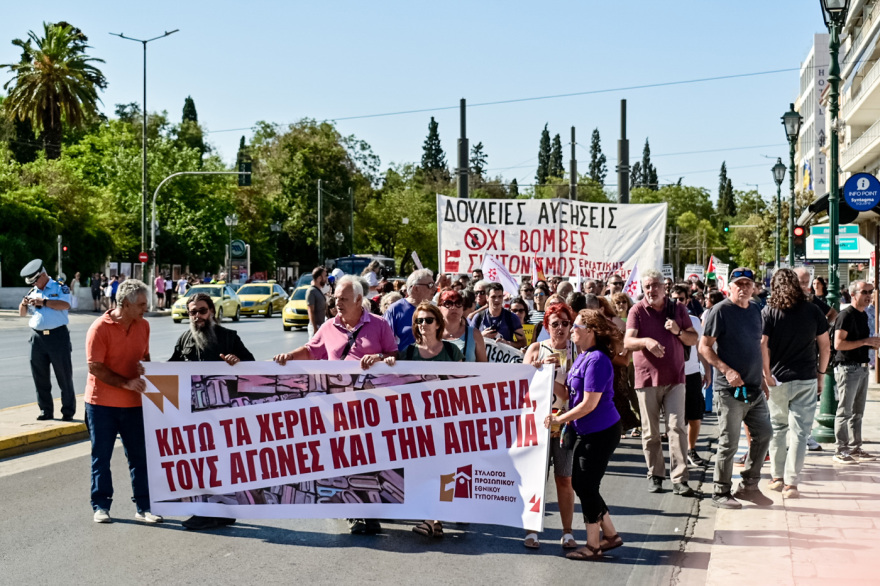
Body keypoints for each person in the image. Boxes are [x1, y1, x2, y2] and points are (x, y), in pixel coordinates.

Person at [274, 276, 397, 534]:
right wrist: (289, 356)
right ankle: (354, 512)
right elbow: (311, 350)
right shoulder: (329, 326)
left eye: (343, 299)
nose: (337, 303)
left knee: (370, 460)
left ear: (359, 300)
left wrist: (379, 357)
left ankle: (370, 512)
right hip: (337, 408)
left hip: (371, 408)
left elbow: (394, 356)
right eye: (336, 298)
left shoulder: (380, 324)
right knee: (345, 459)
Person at [170, 293, 254, 529]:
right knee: (200, 464)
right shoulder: (184, 339)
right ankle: (211, 511)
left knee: (222, 464)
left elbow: (253, 368)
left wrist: (238, 363)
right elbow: (170, 369)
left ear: (212, 312)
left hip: (224, 415)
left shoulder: (229, 337)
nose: (197, 316)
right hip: (194, 416)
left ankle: (220, 511)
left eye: (202, 311)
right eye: (192, 312)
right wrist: (147, 369)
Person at [546, 309, 624, 560]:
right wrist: (545, 374)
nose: (571, 331)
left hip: (601, 431)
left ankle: (593, 545)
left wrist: (559, 419)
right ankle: (610, 535)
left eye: (576, 326)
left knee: (586, 485)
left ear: (590, 330)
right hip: (585, 430)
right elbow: (569, 394)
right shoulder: (582, 356)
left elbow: (589, 404)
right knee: (583, 484)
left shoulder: (598, 360)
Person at [85, 278, 162, 524]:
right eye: (141, 305)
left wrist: (146, 370)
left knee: (140, 457)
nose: (146, 308)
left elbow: (145, 356)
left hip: (134, 404)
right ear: (125, 304)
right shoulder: (99, 328)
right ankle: (101, 506)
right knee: (101, 456)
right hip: (101, 404)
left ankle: (144, 507)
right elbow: (95, 367)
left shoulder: (144, 326)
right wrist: (126, 383)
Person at [700, 267, 773, 509]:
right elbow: (704, 347)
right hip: (729, 390)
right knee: (729, 442)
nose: (743, 288)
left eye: (747, 284)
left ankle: (749, 486)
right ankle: (720, 491)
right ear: (729, 287)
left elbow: (755, 347)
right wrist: (726, 370)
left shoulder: (755, 310)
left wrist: (762, 378)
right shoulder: (720, 311)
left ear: (754, 288)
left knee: (764, 434)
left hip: (754, 388)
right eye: (738, 284)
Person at [624, 269, 698, 496]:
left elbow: (693, 339)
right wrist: (646, 341)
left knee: (676, 428)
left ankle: (680, 478)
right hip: (646, 379)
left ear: (664, 287)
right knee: (650, 432)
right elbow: (628, 341)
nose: (651, 290)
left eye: (655, 285)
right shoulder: (637, 310)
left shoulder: (678, 309)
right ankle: (655, 474)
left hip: (675, 378)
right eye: (647, 286)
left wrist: (678, 331)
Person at [761, 269, 830, 499]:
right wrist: (821, 374)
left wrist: (766, 374)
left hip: (777, 379)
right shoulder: (813, 310)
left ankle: (777, 477)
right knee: (800, 432)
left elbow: (762, 344)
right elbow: (825, 347)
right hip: (806, 377)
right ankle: (791, 483)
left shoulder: (769, 311)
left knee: (777, 428)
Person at [398, 302, 463, 539]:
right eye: (419, 321)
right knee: (423, 471)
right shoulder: (408, 353)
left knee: (445, 472)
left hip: (447, 420)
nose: (423, 324)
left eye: (428, 320)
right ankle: (431, 518)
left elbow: (465, 384)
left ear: (438, 324)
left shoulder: (452, 351)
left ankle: (434, 518)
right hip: (418, 423)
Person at [523, 303, 577, 551]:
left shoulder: (576, 352)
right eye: (555, 324)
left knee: (564, 478)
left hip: (564, 423)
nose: (561, 328)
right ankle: (532, 531)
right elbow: (521, 387)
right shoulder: (536, 349)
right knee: (536, 478)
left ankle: (567, 532)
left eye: (566, 323)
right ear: (546, 326)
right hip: (537, 423)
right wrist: (538, 369)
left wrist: (549, 374)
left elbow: (568, 394)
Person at [18, 259, 77, 421]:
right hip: (37, 337)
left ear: (43, 275)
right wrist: (24, 303)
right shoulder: (32, 291)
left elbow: (65, 305)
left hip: (57, 336)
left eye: (35, 280)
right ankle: (46, 410)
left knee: (64, 376)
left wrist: (44, 302)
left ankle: (68, 411)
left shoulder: (59, 287)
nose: (34, 284)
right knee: (40, 377)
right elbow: (22, 314)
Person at [831, 280, 880, 464]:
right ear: (853, 294)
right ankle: (840, 449)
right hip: (848, 368)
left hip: (862, 367)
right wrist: (865, 342)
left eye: (870, 291)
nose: (868, 295)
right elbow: (838, 344)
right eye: (864, 292)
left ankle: (855, 447)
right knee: (844, 411)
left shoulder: (863, 314)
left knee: (857, 412)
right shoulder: (846, 315)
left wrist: (870, 344)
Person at [669, 285, 712, 467]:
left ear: (687, 300)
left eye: (681, 298)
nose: (678, 302)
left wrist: (707, 370)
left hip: (692, 373)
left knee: (695, 416)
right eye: (674, 298)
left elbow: (699, 348)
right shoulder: (665, 320)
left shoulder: (694, 321)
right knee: (676, 420)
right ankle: (677, 454)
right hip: (672, 375)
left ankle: (691, 450)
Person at [384, 269, 436, 353]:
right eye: (430, 285)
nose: (435, 288)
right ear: (415, 288)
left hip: (431, 359)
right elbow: (385, 341)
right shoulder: (395, 309)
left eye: (434, 284)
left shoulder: (435, 309)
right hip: (404, 360)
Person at [469, 282, 527, 349]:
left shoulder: (511, 317)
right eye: (493, 297)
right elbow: (468, 340)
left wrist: (507, 343)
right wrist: (481, 336)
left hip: (504, 354)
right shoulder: (479, 317)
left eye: (500, 296)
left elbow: (523, 342)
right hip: (482, 354)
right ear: (487, 298)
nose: (497, 300)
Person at [438, 289, 487, 362]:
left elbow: (483, 366)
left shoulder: (474, 334)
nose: (454, 307)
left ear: (462, 308)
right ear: (439, 308)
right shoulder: (432, 334)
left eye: (458, 303)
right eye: (448, 303)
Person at [307, 266, 328, 338]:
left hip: (321, 326)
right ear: (319, 278)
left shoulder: (319, 290)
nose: (326, 278)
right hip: (315, 327)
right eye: (325, 276)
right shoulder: (311, 291)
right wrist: (315, 328)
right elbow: (310, 311)